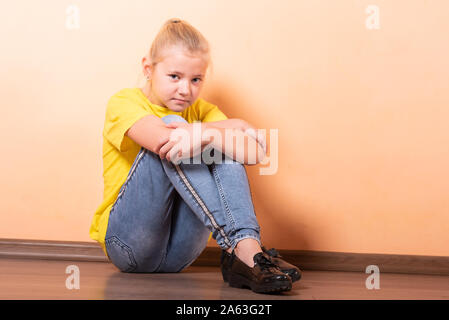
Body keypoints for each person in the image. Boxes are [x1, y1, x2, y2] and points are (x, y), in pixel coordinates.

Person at [90, 18, 301, 294]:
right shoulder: (124, 102)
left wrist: (211, 134)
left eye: (196, 79)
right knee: (171, 128)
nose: (185, 89)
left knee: (224, 146)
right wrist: (229, 125)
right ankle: (244, 249)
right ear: (148, 69)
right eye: (174, 76)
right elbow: (166, 140)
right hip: (129, 246)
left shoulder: (202, 111)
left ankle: (244, 246)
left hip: (180, 254)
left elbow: (255, 152)